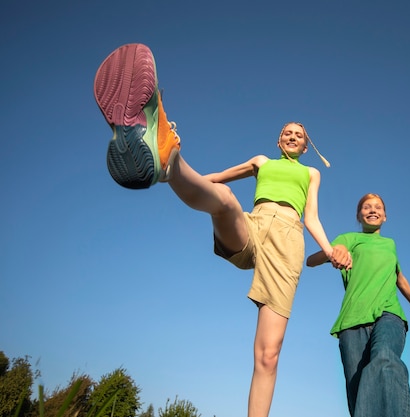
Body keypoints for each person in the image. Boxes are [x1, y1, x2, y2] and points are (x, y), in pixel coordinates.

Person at [93, 43, 350, 417]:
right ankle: (168, 159)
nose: (293, 136)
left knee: (268, 354)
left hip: (288, 241)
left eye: (299, 135)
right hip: (253, 224)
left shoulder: (312, 173)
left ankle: (166, 152)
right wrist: (183, 176)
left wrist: (328, 250)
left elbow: (312, 217)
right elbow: (215, 179)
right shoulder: (262, 161)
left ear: (306, 146)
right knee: (226, 198)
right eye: (287, 132)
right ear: (279, 140)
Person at [306, 193, 410, 417]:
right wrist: (334, 251)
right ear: (359, 215)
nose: (373, 210)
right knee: (357, 391)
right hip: (352, 320)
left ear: (385, 216)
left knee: (385, 358)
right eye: (366, 207)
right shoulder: (349, 239)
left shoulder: (389, 244)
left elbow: (399, 278)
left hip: (389, 314)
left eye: (378, 207)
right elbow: (311, 261)